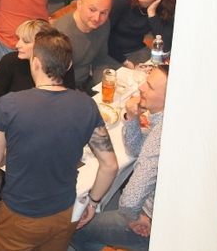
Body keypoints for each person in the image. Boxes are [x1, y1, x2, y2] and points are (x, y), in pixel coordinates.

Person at [0, 28, 118, 251]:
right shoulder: (86, 105)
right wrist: (93, 203)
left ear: (35, 62)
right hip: (63, 213)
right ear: (68, 66)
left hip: (20, 215)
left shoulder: (9, 104)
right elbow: (110, 165)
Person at [71, 64, 169, 251]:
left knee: (75, 228)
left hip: (151, 221)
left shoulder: (159, 137)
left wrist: (134, 219)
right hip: (163, 211)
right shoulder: (167, 121)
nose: (141, 87)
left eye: (150, 87)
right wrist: (131, 118)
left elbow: (130, 201)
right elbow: (135, 149)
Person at [0, 19, 75, 117]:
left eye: (26, 41)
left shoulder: (59, 63)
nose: (17, 45)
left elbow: (67, 98)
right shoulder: (9, 61)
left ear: (42, 46)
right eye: (19, 39)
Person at [108, 0, 177, 66]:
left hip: (137, 50)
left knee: (157, 70)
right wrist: (125, 62)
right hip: (110, 51)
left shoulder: (161, 9)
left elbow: (165, 47)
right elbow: (102, 36)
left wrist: (152, 13)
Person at [52, 0, 120, 90]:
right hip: (64, 88)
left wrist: (104, 86)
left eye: (103, 13)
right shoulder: (61, 35)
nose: (97, 18)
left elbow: (100, 60)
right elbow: (54, 80)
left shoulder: (104, 24)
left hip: (85, 82)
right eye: (92, 10)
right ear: (79, 5)